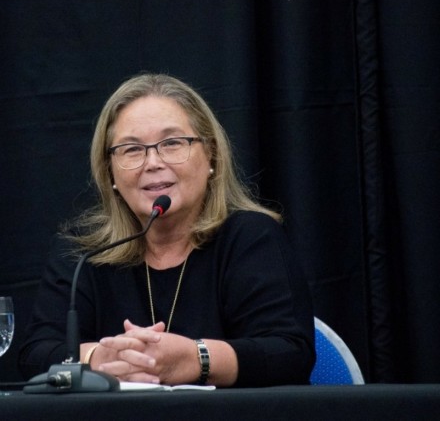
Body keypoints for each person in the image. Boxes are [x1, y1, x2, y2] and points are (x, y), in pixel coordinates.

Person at [19, 73, 315, 387]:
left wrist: (197, 358)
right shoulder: (82, 252)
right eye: (132, 149)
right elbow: (35, 354)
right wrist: (98, 358)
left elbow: (290, 353)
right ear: (110, 172)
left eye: (172, 143)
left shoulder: (251, 237)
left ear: (211, 155)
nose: (153, 162)